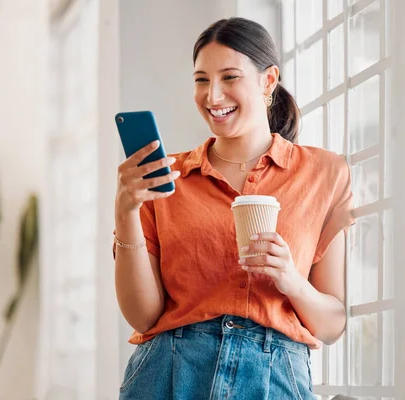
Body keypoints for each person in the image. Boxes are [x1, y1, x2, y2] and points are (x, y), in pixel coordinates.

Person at [113, 17, 354, 400]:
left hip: (273, 379)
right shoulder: (165, 177)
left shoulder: (323, 173)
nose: (212, 96)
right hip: (168, 375)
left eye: (228, 77)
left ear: (268, 80)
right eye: (201, 80)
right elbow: (143, 316)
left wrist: (290, 279)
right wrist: (125, 212)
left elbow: (331, 325)